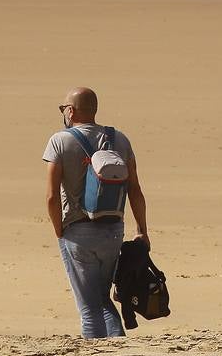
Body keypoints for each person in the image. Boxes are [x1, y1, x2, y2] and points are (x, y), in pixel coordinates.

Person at [43, 86, 149, 339]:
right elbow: (135, 190)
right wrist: (142, 231)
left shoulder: (60, 140)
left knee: (89, 307)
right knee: (103, 298)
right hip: (113, 230)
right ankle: (117, 350)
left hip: (76, 231)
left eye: (63, 109)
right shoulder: (120, 139)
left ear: (70, 110)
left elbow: (51, 196)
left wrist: (60, 230)